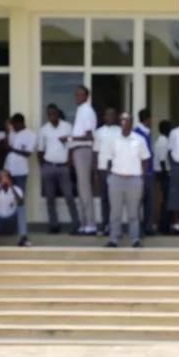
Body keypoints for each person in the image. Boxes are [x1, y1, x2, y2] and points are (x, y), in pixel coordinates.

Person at [104, 113, 151, 248]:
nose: (124, 122)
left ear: (131, 123)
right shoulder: (113, 139)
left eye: (126, 120)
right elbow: (108, 159)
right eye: (122, 120)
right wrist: (110, 176)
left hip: (134, 180)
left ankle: (135, 239)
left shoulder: (139, 139)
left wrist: (141, 176)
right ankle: (113, 239)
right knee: (115, 212)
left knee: (134, 212)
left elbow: (145, 159)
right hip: (116, 179)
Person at [37, 104, 81, 234]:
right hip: (49, 166)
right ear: (47, 115)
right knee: (50, 198)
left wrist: (69, 162)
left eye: (54, 113)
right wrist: (43, 167)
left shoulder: (67, 127)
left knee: (69, 196)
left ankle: (76, 224)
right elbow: (40, 150)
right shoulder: (44, 130)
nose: (52, 116)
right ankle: (54, 225)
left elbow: (72, 146)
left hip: (63, 167)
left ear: (58, 113)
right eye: (49, 114)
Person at [67, 86, 98, 235]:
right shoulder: (81, 110)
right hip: (78, 150)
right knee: (81, 189)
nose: (77, 97)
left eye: (80, 94)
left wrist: (69, 138)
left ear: (87, 96)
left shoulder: (87, 111)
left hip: (83, 150)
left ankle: (90, 224)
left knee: (85, 188)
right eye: (76, 94)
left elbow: (89, 136)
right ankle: (84, 223)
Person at [0, 170, 29, 247]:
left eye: (6, 177)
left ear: (10, 178)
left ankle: (23, 238)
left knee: (21, 207)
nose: (4, 179)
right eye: (1, 177)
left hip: (12, 222)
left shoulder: (16, 189)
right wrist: (0, 187)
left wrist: (11, 186)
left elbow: (20, 202)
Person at [94, 107, 121, 235]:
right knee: (104, 198)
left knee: (115, 199)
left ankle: (115, 226)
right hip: (103, 169)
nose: (110, 117)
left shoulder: (120, 131)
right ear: (104, 117)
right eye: (108, 115)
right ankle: (105, 224)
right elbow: (95, 152)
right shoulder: (99, 132)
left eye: (112, 115)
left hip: (117, 169)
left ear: (115, 117)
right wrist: (95, 171)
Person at [135, 108, 156, 236]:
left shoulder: (146, 133)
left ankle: (147, 227)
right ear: (147, 119)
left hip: (148, 172)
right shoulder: (137, 134)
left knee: (149, 201)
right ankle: (138, 228)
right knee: (138, 201)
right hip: (141, 172)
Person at [3, 113, 35, 192]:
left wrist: (12, 149)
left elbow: (28, 153)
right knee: (7, 193)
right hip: (8, 169)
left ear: (20, 123)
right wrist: (7, 131)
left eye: (14, 124)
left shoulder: (31, 135)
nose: (13, 127)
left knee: (19, 194)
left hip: (20, 171)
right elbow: (6, 147)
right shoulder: (12, 132)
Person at [154, 120, 173, 234]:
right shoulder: (163, 142)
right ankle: (164, 227)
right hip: (163, 174)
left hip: (163, 173)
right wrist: (166, 175)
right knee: (166, 201)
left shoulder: (162, 140)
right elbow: (162, 160)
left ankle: (165, 226)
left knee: (166, 201)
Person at [167, 120, 179, 234]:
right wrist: (173, 167)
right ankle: (176, 224)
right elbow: (169, 151)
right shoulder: (174, 132)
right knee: (175, 196)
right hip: (177, 166)